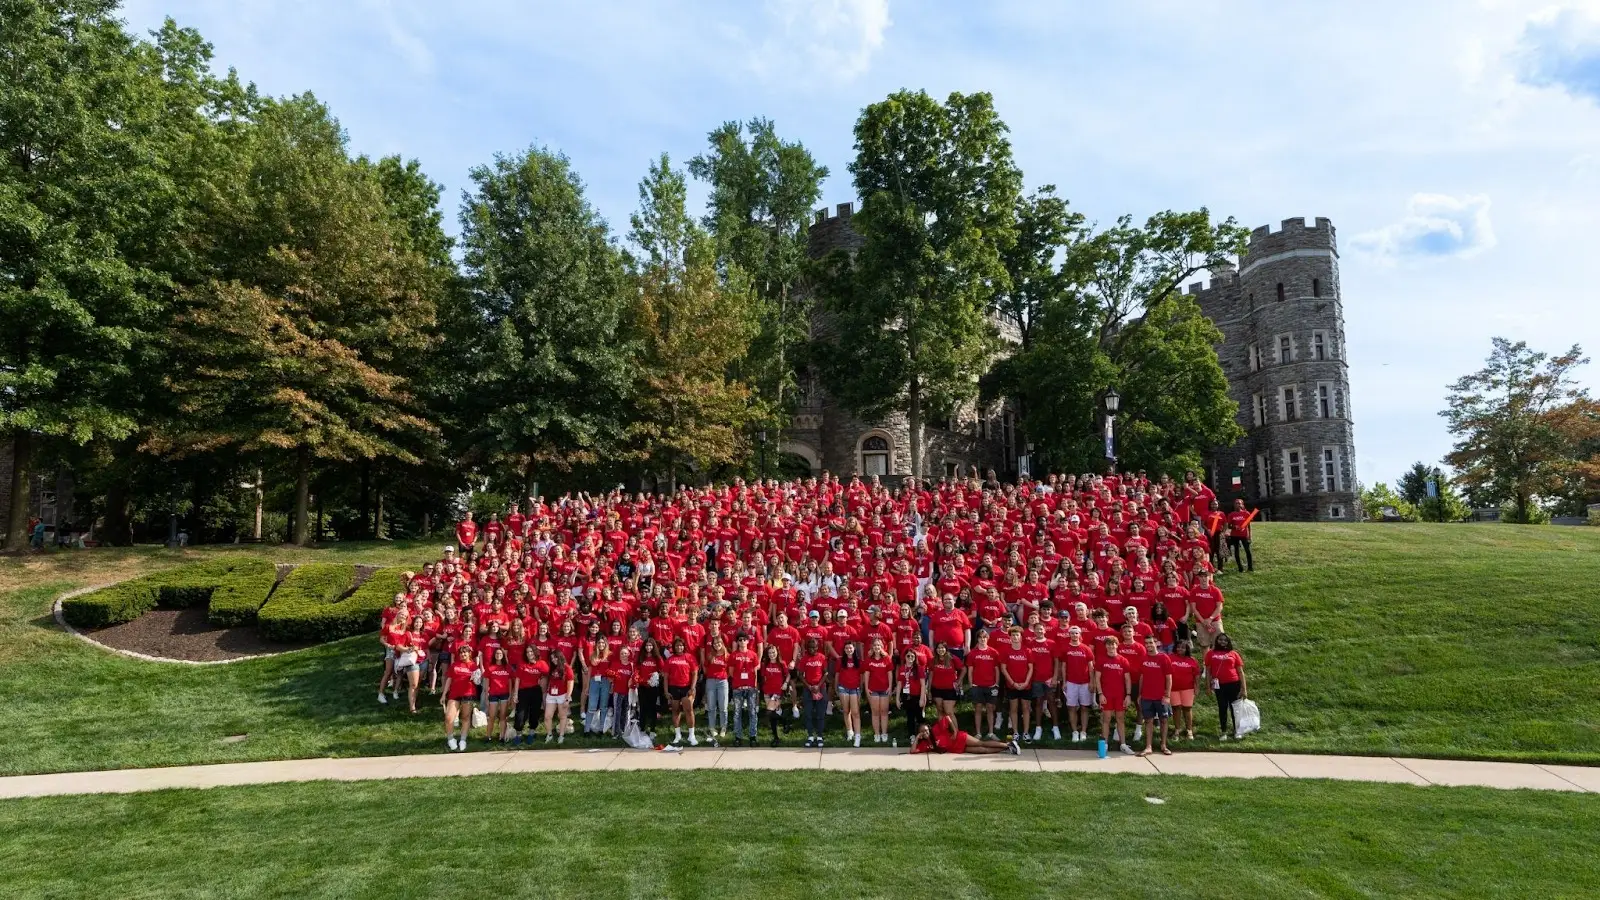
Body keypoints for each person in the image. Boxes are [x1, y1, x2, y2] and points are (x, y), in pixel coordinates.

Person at [1092, 636, 1134, 755]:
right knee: (1106, 719)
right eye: (1108, 644)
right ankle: (1104, 744)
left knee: (1120, 719)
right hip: (1106, 695)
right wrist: (1100, 694)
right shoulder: (1101, 660)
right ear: (1106, 646)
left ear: (1117, 645)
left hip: (1120, 695)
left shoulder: (1123, 660)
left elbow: (1127, 679)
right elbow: (1097, 678)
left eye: (1113, 644)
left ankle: (1123, 744)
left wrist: (1128, 695)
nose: (1111, 646)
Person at [1204, 633, 1248, 740]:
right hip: (1219, 685)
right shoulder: (1210, 653)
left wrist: (1244, 688)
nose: (1222, 642)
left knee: (1235, 709)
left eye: (1225, 640)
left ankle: (1237, 731)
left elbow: (1240, 672)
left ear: (1228, 642)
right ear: (1216, 641)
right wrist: (1208, 686)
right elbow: (1208, 671)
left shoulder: (1233, 654)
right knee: (1222, 708)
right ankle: (1223, 732)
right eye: (1220, 640)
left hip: (1234, 684)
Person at [1055, 626, 1095, 743]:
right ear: (1070, 635)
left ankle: (1083, 731)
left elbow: (1091, 667)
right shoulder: (1066, 648)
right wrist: (1064, 682)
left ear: (1079, 634)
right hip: (1071, 683)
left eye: (1076, 633)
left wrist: (1092, 682)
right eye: (1072, 633)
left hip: (1085, 683)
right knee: (1071, 707)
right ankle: (1074, 731)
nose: (1074, 635)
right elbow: (1064, 666)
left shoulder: (1086, 649)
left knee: (1084, 707)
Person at [1135, 636, 1173, 756]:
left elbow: (1169, 678)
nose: (1149, 645)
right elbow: (1141, 677)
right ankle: (1148, 746)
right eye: (1146, 643)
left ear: (1156, 643)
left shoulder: (1164, 658)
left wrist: (1167, 695)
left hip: (1161, 696)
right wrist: (1140, 694)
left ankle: (1163, 745)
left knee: (1164, 720)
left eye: (1151, 642)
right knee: (1148, 721)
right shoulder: (1143, 658)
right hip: (1146, 695)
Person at [911, 713, 1020, 755]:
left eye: (926, 730)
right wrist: (917, 738)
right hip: (956, 748)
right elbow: (913, 751)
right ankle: (1007, 749)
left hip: (959, 738)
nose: (926, 733)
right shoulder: (925, 744)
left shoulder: (935, 729)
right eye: (923, 732)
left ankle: (1008, 744)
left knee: (981, 743)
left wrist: (954, 731)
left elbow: (948, 718)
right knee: (983, 751)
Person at [441, 644, 480, 753]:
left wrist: (476, 677)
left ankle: (463, 740)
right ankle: (450, 739)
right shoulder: (454, 665)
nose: (463, 654)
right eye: (461, 652)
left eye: (465, 652)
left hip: (468, 693)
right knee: (449, 718)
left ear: (469, 653)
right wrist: (444, 694)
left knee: (465, 718)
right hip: (454, 694)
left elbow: (478, 681)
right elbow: (449, 679)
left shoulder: (474, 666)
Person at [965, 628, 1001, 740]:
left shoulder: (994, 652)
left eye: (984, 637)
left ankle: (991, 732)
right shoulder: (972, 653)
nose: (982, 639)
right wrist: (971, 684)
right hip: (977, 685)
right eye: (980, 638)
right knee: (978, 708)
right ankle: (978, 733)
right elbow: (970, 670)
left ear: (988, 638)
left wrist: (996, 684)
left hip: (991, 685)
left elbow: (997, 669)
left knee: (990, 708)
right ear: (977, 639)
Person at [664, 636, 700, 746]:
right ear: (674, 647)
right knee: (675, 711)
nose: (679, 647)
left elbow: (694, 673)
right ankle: (677, 734)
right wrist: (666, 691)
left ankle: (691, 735)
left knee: (689, 711)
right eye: (677, 645)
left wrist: (692, 688)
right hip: (674, 688)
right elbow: (665, 676)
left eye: (681, 645)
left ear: (684, 646)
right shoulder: (670, 659)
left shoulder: (689, 657)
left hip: (686, 687)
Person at [510, 644, 548, 745]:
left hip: (536, 691)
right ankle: (519, 734)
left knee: (534, 713)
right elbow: (517, 679)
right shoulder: (522, 663)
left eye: (531, 652)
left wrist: (542, 679)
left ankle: (531, 733)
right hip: (523, 691)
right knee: (520, 715)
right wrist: (515, 694)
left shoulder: (541, 664)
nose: (529, 654)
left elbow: (548, 674)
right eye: (527, 652)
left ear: (535, 652)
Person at [729, 633, 761, 746]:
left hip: (751, 688)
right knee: (737, 713)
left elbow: (756, 671)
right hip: (738, 688)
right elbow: (731, 672)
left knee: (752, 712)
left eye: (744, 639)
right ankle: (738, 737)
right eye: (740, 640)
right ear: (737, 642)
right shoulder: (733, 655)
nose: (742, 642)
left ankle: (753, 736)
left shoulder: (753, 655)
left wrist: (754, 685)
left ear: (748, 641)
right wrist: (739, 681)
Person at [863, 635, 896, 744]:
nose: (877, 647)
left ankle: (884, 733)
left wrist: (890, 687)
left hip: (884, 689)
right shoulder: (869, 659)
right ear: (872, 647)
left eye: (879, 645)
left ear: (882, 646)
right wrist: (867, 688)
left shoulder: (886, 658)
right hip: (873, 689)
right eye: (875, 645)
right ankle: (877, 733)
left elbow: (890, 674)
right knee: (875, 712)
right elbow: (866, 675)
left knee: (884, 712)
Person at [797, 637, 829, 747]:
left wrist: (818, 686)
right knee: (808, 714)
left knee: (820, 714)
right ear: (807, 648)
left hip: (820, 688)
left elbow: (825, 673)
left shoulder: (822, 657)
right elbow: (800, 675)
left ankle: (819, 736)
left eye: (814, 647)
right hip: (808, 689)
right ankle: (810, 736)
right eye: (810, 647)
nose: (812, 649)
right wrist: (810, 687)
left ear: (817, 647)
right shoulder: (804, 659)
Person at [758, 644, 791, 747]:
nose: (772, 654)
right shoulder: (765, 664)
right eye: (770, 653)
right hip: (768, 691)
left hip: (778, 692)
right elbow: (763, 677)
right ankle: (776, 738)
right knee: (772, 716)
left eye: (773, 652)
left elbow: (788, 674)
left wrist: (785, 683)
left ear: (777, 652)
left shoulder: (782, 663)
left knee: (769, 712)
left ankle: (785, 722)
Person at [1168, 640, 1201, 740]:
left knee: (1187, 709)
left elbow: (1197, 675)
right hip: (1173, 688)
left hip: (1188, 688)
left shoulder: (1192, 660)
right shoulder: (1170, 658)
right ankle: (1177, 730)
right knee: (1176, 709)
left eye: (1183, 647)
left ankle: (1189, 731)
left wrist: (1197, 687)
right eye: (1178, 647)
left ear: (1187, 649)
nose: (1180, 649)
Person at [542, 649, 576, 744]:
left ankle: (561, 735)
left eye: (555, 657)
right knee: (547, 716)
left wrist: (567, 698)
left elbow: (570, 683)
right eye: (552, 658)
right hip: (551, 695)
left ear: (560, 657)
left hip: (562, 695)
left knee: (562, 716)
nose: (553, 660)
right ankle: (549, 735)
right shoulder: (552, 668)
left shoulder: (567, 668)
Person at [482, 646, 514, 744]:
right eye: (497, 654)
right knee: (492, 716)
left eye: (500, 654)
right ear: (494, 655)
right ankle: (488, 736)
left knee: (503, 716)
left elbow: (510, 682)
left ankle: (502, 737)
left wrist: (510, 695)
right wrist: (486, 696)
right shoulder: (490, 667)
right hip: (493, 694)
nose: (498, 655)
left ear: (503, 655)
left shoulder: (507, 667)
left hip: (504, 694)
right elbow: (486, 683)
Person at [835, 641, 865, 747]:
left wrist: (860, 687)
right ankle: (850, 731)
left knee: (855, 713)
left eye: (851, 648)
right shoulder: (840, 661)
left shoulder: (859, 661)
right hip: (843, 688)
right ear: (844, 650)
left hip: (854, 689)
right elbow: (837, 674)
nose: (849, 650)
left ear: (854, 649)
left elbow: (862, 675)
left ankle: (858, 735)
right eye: (847, 648)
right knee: (846, 711)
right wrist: (836, 687)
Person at [1226, 499, 1256, 573]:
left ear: (1242, 505)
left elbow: (1248, 526)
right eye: (1236, 503)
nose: (1238, 505)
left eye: (1239, 503)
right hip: (1234, 535)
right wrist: (1235, 527)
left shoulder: (1246, 513)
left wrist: (1249, 536)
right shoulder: (1231, 514)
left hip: (1244, 535)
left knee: (1247, 551)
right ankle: (1240, 568)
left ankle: (1250, 567)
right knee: (1236, 551)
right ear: (1234, 505)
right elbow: (1229, 526)